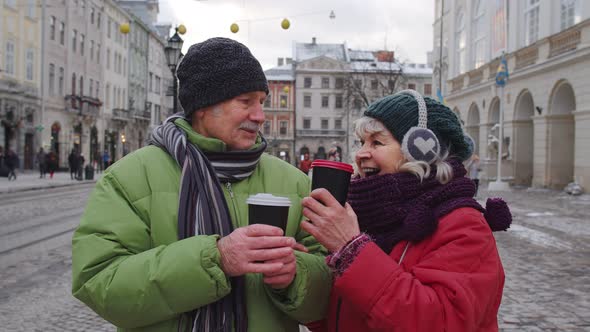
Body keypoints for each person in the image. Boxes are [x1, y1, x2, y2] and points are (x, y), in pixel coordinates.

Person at [72, 37, 331, 332]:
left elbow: (329, 289)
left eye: (261, 101)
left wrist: (296, 277)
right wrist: (216, 259)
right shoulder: (130, 177)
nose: (260, 116)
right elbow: (99, 284)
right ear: (202, 107)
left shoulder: (294, 182)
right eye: (245, 101)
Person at [301, 90, 512, 332]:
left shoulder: (464, 225)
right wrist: (298, 275)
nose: (360, 154)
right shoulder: (369, 216)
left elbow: (439, 323)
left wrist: (352, 250)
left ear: (421, 149)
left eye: (377, 142)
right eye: (362, 142)